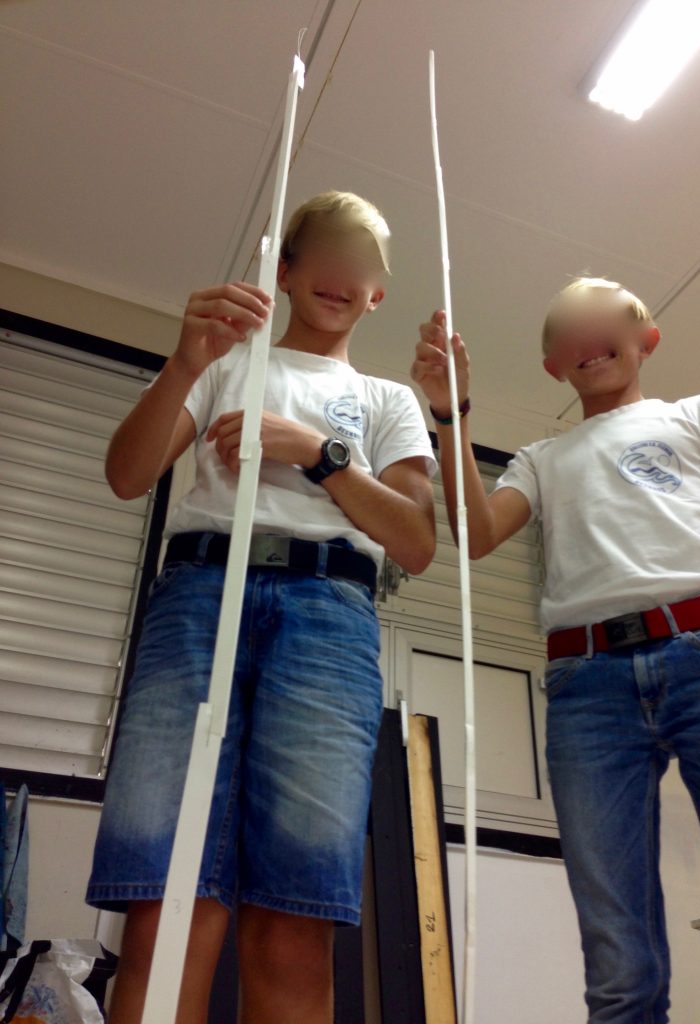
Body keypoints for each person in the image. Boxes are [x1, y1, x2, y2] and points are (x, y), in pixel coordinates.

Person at [87, 190, 437, 1024]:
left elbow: (416, 541)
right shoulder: (222, 366)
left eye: (361, 265)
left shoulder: (388, 400)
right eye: (324, 254)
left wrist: (319, 453)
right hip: (199, 596)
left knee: (295, 917)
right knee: (165, 899)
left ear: (378, 293)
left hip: (330, 612)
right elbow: (128, 475)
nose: (340, 275)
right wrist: (184, 363)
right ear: (284, 270)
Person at [411, 276, 700, 1023]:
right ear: (552, 367)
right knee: (618, 973)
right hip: (587, 683)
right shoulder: (542, 457)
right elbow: (476, 535)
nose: (589, 343)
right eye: (568, 337)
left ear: (647, 340)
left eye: (605, 327)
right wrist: (450, 413)